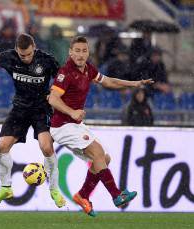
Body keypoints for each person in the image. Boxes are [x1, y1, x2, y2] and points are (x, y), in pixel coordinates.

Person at [48, 36, 154, 216]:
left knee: (104, 159)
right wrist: (72, 112)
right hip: (63, 125)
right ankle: (116, 194)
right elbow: (52, 98)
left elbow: (109, 81)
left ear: (88, 52)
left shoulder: (88, 69)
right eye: (77, 51)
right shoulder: (65, 73)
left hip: (75, 125)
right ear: (70, 52)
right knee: (97, 153)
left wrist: (134, 84)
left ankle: (83, 195)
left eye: (84, 51)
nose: (81, 55)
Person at [0, 33, 66, 208]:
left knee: (46, 146)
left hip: (41, 109)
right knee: (2, 146)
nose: (26, 58)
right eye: (22, 55)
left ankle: (54, 189)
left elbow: (63, 80)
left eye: (29, 54)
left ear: (34, 47)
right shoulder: (9, 57)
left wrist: (56, 94)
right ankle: (6, 187)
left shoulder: (47, 60)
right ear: (16, 51)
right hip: (20, 108)